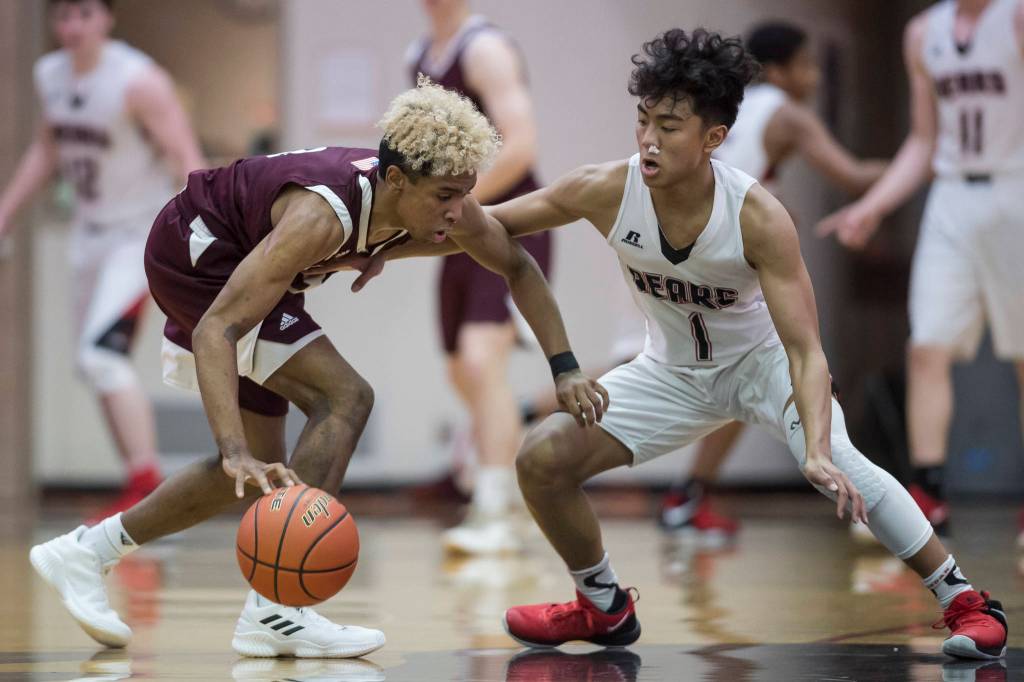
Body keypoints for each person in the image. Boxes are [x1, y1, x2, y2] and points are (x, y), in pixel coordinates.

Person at [361, 28, 1006, 660]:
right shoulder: (604, 188)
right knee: (542, 457)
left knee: (845, 463)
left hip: (762, 367)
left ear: (713, 138)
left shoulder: (756, 215)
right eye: (643, 120)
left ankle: (968, 603)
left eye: (669, 127)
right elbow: (480, 226)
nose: (648, 139)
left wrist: (813, 447)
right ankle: (603, 605)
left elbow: (806, 350)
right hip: (670, 373)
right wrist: (380, 247)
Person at [29, 79, 607, 658]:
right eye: (444, 197)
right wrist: (232, 446)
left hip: (234, 250)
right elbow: (216, 329)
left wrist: (564, 369)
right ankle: (278, 610)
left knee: (267, 474)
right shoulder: (320, 216)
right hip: (197, 254)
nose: (456, 211)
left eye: (464, 194)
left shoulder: (425, 197)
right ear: (397, 180)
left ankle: (84, 554)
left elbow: (517, 264)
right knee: (343, 398)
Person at [658, 20, 888, 537]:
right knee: (800, 369)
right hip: (727, 258)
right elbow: (851, 175)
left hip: (677, 249)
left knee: (738, 378)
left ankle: (686, 497)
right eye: (807, 65)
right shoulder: (787, 114)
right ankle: (868, 501)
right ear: (780, 71)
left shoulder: (723, 108)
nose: (815, 77)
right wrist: (922, 163)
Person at [818, 0, 1024, 545]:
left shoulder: (1016, 17)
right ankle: (929, 496)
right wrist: (873, 206)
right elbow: (924, 140)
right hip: (951, 198)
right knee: (927, 347)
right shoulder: (921, 32)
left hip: (1016, 190)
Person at [0, 0, 205, 521]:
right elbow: (46, 150)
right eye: (63, 16)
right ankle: (137, 480)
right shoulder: (50, 74)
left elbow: (187, 159)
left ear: (107, 18)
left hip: (137, 238)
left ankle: (149, 486)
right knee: (92, 365)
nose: (72, 27)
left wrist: (204, 236)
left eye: (84, 14)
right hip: (87, 237)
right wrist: (5, 213)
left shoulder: (139, 81)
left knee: (102, 358)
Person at [408, 0, 552, 555]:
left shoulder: (485, 48)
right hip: (459, 225)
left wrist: (448, 205)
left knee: (479, 360)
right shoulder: (419, 55)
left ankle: (493, 511)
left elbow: (521, 148)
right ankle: (513, 488)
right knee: (459, 370)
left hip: (508, 221)